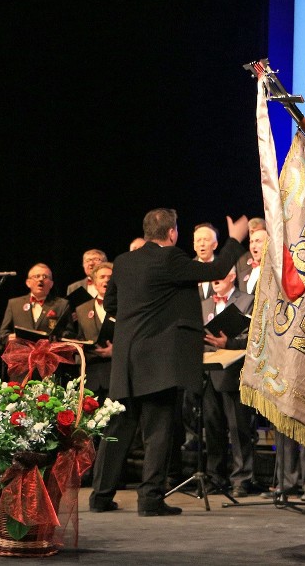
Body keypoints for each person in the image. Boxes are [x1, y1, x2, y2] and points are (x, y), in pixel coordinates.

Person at [89, 208, 248, 516]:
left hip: (126, 359)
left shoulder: (123, 261)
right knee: (159, 431)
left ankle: (100, 497)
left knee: (118, 429)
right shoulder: (171, 258)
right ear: (172, 233)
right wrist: (234, 239)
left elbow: (111, 304)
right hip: (159, 362)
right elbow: (215, 271)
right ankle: (149, 499)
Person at [200, 268, 256, 497]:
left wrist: (229, 343)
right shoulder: (204, 304)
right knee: (213, 428)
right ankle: (215, 478)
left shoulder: (247, 300)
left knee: (238, 428)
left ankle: (242, 479)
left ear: (232, 276)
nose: (216, 279)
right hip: (209, 374)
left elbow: (253, 334)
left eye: (221, 274)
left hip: (234, 372)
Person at [74, 262, 114, 403]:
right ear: (94, 282)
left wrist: (116, 350)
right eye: (102, 277)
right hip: (91, 375)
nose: (106, 280)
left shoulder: (125, 306)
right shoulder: (82, 309)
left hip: (117, 374)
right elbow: (78, 337)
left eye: (110, 277)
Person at [0, 264, 70, 342]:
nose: (41, 279)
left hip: (49, 352)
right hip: (21, 352)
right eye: (37, 276)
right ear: (28, 283)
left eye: (45, 277)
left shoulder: (62, 304)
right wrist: (9, 337)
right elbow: (2, 333)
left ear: (51, 284)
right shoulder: (14, 304)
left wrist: (57, 336)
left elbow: (70, 333)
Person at [236, 217, 266, 289]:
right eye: (251, 232)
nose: (254, 234)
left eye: (258, 241)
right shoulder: (242, 260)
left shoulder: (277, 264)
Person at [193, 222, 220, 300]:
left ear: (215, 245)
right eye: (198, 240)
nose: (202, 244)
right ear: (194, 246)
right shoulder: (187, 268)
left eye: (206, 240)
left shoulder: (223, 266)